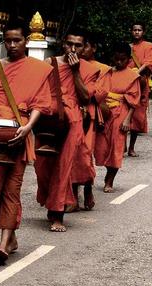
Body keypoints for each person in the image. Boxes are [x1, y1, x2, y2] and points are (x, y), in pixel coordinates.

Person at [0, 17, 53, 264]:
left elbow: (40, 103)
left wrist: (28, 127)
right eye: (8, 41)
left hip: (20, 133)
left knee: (12, 188)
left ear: (26, 41)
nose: (12, 45)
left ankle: (4, 241)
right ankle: (12, 235)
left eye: (17, 40)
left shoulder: (37, 69)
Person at [34, 27, 99, 231]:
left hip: (72, 122)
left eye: (78, 45)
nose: (73, 48)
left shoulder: (88, 69)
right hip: (47, 118)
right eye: (69, 44)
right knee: (42, 166)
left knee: (63, 168)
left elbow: (85, 97)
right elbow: (37, 89)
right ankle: (50, 200)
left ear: (84, 47)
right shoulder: (48, 63)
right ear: (63, 43)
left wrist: (76, 70)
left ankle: (57, 215)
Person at [68, 34, 110, 212]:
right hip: (68, 115)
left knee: (84, 157)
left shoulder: (101, 69)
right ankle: (72, 197)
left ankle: (87, 188)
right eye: (71, 45)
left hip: (88, 116)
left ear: (91, 48)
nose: (76, 50)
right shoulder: (63, 65)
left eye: (82, 46)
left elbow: (100, 93)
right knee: (70, 157)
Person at [95, 42, 141, 193]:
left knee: (117, 146)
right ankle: (106, 170)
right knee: (102, 146)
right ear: (113, 58)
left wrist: (128, 119)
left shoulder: (133, 76)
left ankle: (109, 180)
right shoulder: (105, 72)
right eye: (117, 59)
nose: (119, 62)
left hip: (121, 112)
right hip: (103, 111)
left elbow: (134, 101)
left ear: (128, 60)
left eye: (123, 60)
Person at [127, 23, 152, 157]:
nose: (137, 32)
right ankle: (122, 145)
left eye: (139, 30)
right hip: (127, 83)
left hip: (141, 83)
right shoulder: (128, 47)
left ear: (143, 32)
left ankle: (131, 147)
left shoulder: (148, 46)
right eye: (135, 30)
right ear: (131, 32)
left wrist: (137, 73)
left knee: (137, 116)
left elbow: (149, 63)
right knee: (122, 113)